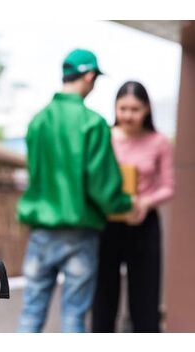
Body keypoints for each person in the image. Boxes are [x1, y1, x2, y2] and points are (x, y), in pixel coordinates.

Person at [16, 49, 139, 333]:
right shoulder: (92, 123)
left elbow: (35, 174)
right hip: (80, 234)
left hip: (41, 231)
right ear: (88, 76)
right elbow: (102, 186)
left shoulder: (38, 121)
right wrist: (125, 205)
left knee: (31, 312)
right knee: (73, 316)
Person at [92, 81, 174, 333]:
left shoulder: (159, 141)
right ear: (115, 108)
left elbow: (168, 186)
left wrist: (146, 202)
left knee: (145, 298)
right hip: (107, 224)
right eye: (123, 108)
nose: (128, 115)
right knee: (104, 298)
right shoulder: (103, 136)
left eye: (135, 109)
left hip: (144, 224)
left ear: (147, 109)